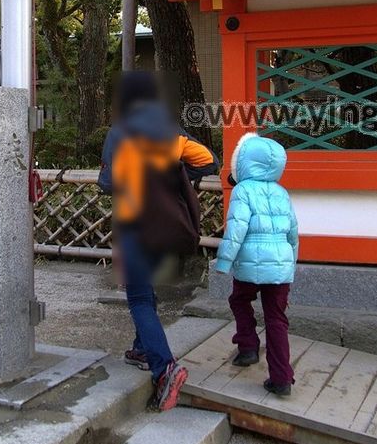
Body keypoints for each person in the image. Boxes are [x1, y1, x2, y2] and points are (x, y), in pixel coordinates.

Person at [98, 71, 218, 411]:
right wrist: (174, 172)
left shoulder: (118, 132)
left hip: (135, 224)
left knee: (137, 297)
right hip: (165, 226)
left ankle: (165, 368)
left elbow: (107, 183)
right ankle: (141, 348)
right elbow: (210, 161)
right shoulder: (171, 132)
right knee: (147, 291)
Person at [215, 132, 298, 397]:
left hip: (250, 263)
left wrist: (224, 261)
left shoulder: (242, 190)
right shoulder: (282, 193)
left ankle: (248, 347)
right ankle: (282, 378)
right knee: (276, 319)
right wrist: (291, 263)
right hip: (281, 265)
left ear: (245, 162)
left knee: (240, 300)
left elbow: (236, 229)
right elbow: (293, 233)